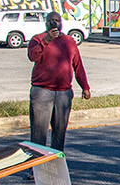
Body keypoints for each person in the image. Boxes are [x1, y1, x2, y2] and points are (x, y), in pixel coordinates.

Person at [27, 11, 91, 152]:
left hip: (63, 93)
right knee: (38, 135)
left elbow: (78, 65)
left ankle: (55, 164)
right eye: (51, 20)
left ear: (61, 23)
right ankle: (37, 164)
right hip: (42, 91)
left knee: (59, 134)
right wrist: (46, 40)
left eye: (57, 20)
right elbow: (32, 56)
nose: (54, 23)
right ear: (46, 23)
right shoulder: (37, 39)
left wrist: (85, 86)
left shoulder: (69, 41)